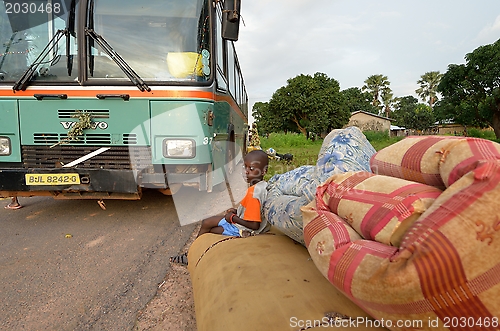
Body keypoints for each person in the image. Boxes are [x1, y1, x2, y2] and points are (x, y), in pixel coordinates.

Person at [170, 150, 270, 265]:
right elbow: (253, 211)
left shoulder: (253, 194)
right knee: (207, 222)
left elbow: (254, 225)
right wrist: (237, 211)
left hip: (244, 230)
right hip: (241, 222)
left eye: (251, 169)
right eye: (245, 167)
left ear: (263, 171)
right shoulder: (261, 186)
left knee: (210, 231)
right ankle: (191, 253)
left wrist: (233, 218)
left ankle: (192, 255)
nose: (246, 172)